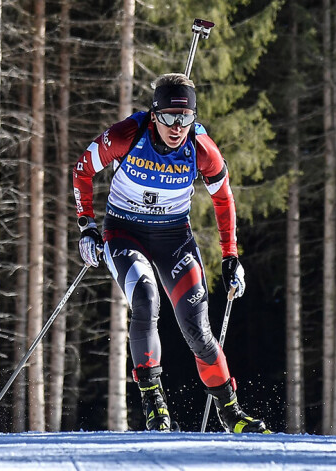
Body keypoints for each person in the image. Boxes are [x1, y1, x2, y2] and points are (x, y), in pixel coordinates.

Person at [73, 73, 267, 433]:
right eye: (169, 118)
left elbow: (223, 198)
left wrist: (230, 255)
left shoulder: (202, 149)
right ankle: (154, 406)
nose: (177, 127)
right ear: (154, 114)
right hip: (124, 233)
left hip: (174, 238)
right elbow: (83, 170)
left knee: (197, 327)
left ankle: (231, 413)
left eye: (186, 118)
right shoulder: (125, 136)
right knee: (145, 300)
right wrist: (87, 226)